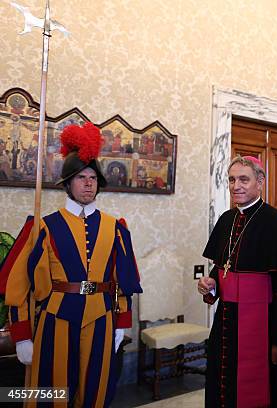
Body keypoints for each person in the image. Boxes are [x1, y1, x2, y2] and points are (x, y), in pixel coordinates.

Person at [0, 122, 142, 407]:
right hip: (57, 319)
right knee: (53, 392)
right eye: (80, 177)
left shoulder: (116, 228)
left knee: (95, 391)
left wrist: (121, 323)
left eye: (92, 177)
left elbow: (122, 282)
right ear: (67, 183)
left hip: (101, 319)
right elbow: (19, 286)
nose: (88, 182)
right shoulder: (43, 227)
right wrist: (22, 335)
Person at [197, 155, 277, 408]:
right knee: (222, 382)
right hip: (225, 319)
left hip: (262, 324)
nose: (236, 185)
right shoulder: (225, 220)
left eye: (244, 179)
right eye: (231, 180)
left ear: (260, 182)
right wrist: (210, 286)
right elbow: (222, 269)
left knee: (260, 390)